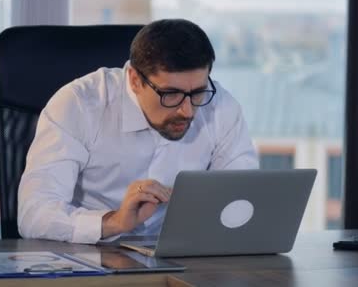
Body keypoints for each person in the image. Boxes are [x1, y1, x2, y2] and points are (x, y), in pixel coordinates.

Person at [17, 19, 258, 244]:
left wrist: (202, 200)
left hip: (182, 260)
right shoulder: (80, 104)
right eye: (170, 94)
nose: (188, 111)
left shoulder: (222, 107)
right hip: (90, 258)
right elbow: (34, 214)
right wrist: (115, 221)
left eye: (197, 93)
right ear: (134, 80)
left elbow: (243, 202)